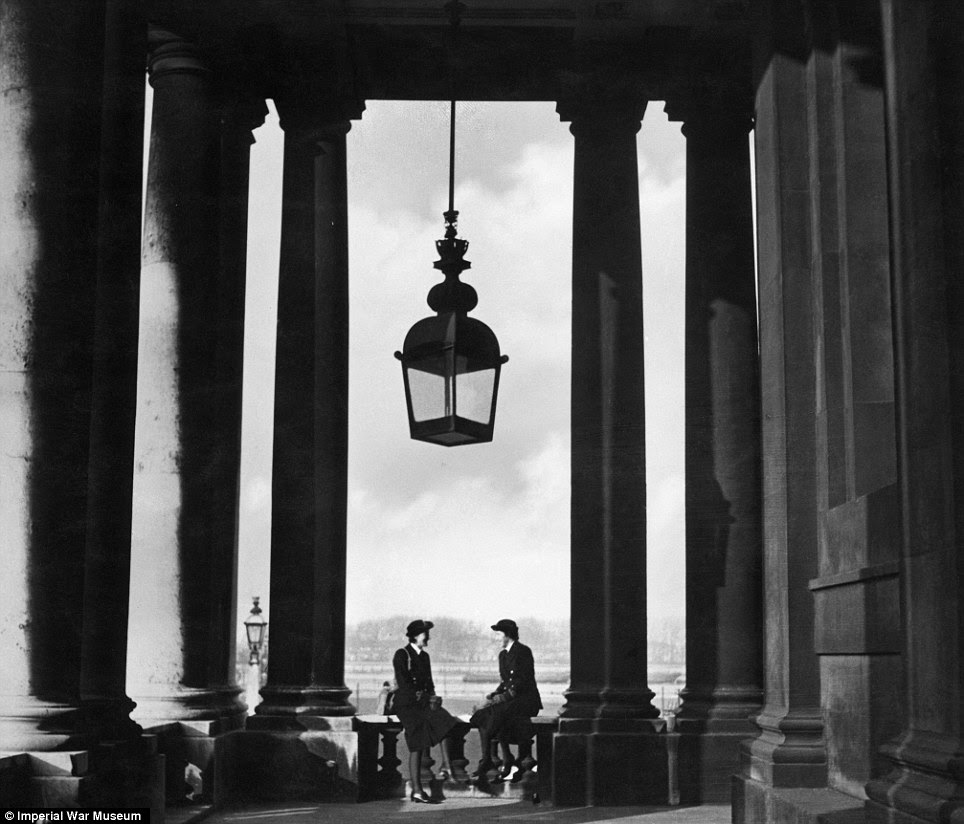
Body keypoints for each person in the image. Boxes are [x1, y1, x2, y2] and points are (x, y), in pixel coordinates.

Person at [392, 619, 457, 804]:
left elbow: (429, 683)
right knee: (417, 741)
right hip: (406, 705)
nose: (427, 637)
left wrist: (434, 698)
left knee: (445, 719)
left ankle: (446, 766)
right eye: (424, 634)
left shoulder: (425, 656)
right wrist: (423, 697)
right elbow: (403, 684)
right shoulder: (402, 654)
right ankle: (417, 790)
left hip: (423, 703)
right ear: (415, 636)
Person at [469, 619, 542, 781]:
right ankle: (492, 758)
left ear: (507, 635)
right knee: (482, 715)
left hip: (526, 700)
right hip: (512, 700)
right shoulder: (503, 655)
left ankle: (494, 760)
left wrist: (500, 698)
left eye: (498, 634)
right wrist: (494, 694)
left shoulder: (523, 651)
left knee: (494, 714)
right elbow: (505, 682)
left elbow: (522, 681)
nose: (496, 638)